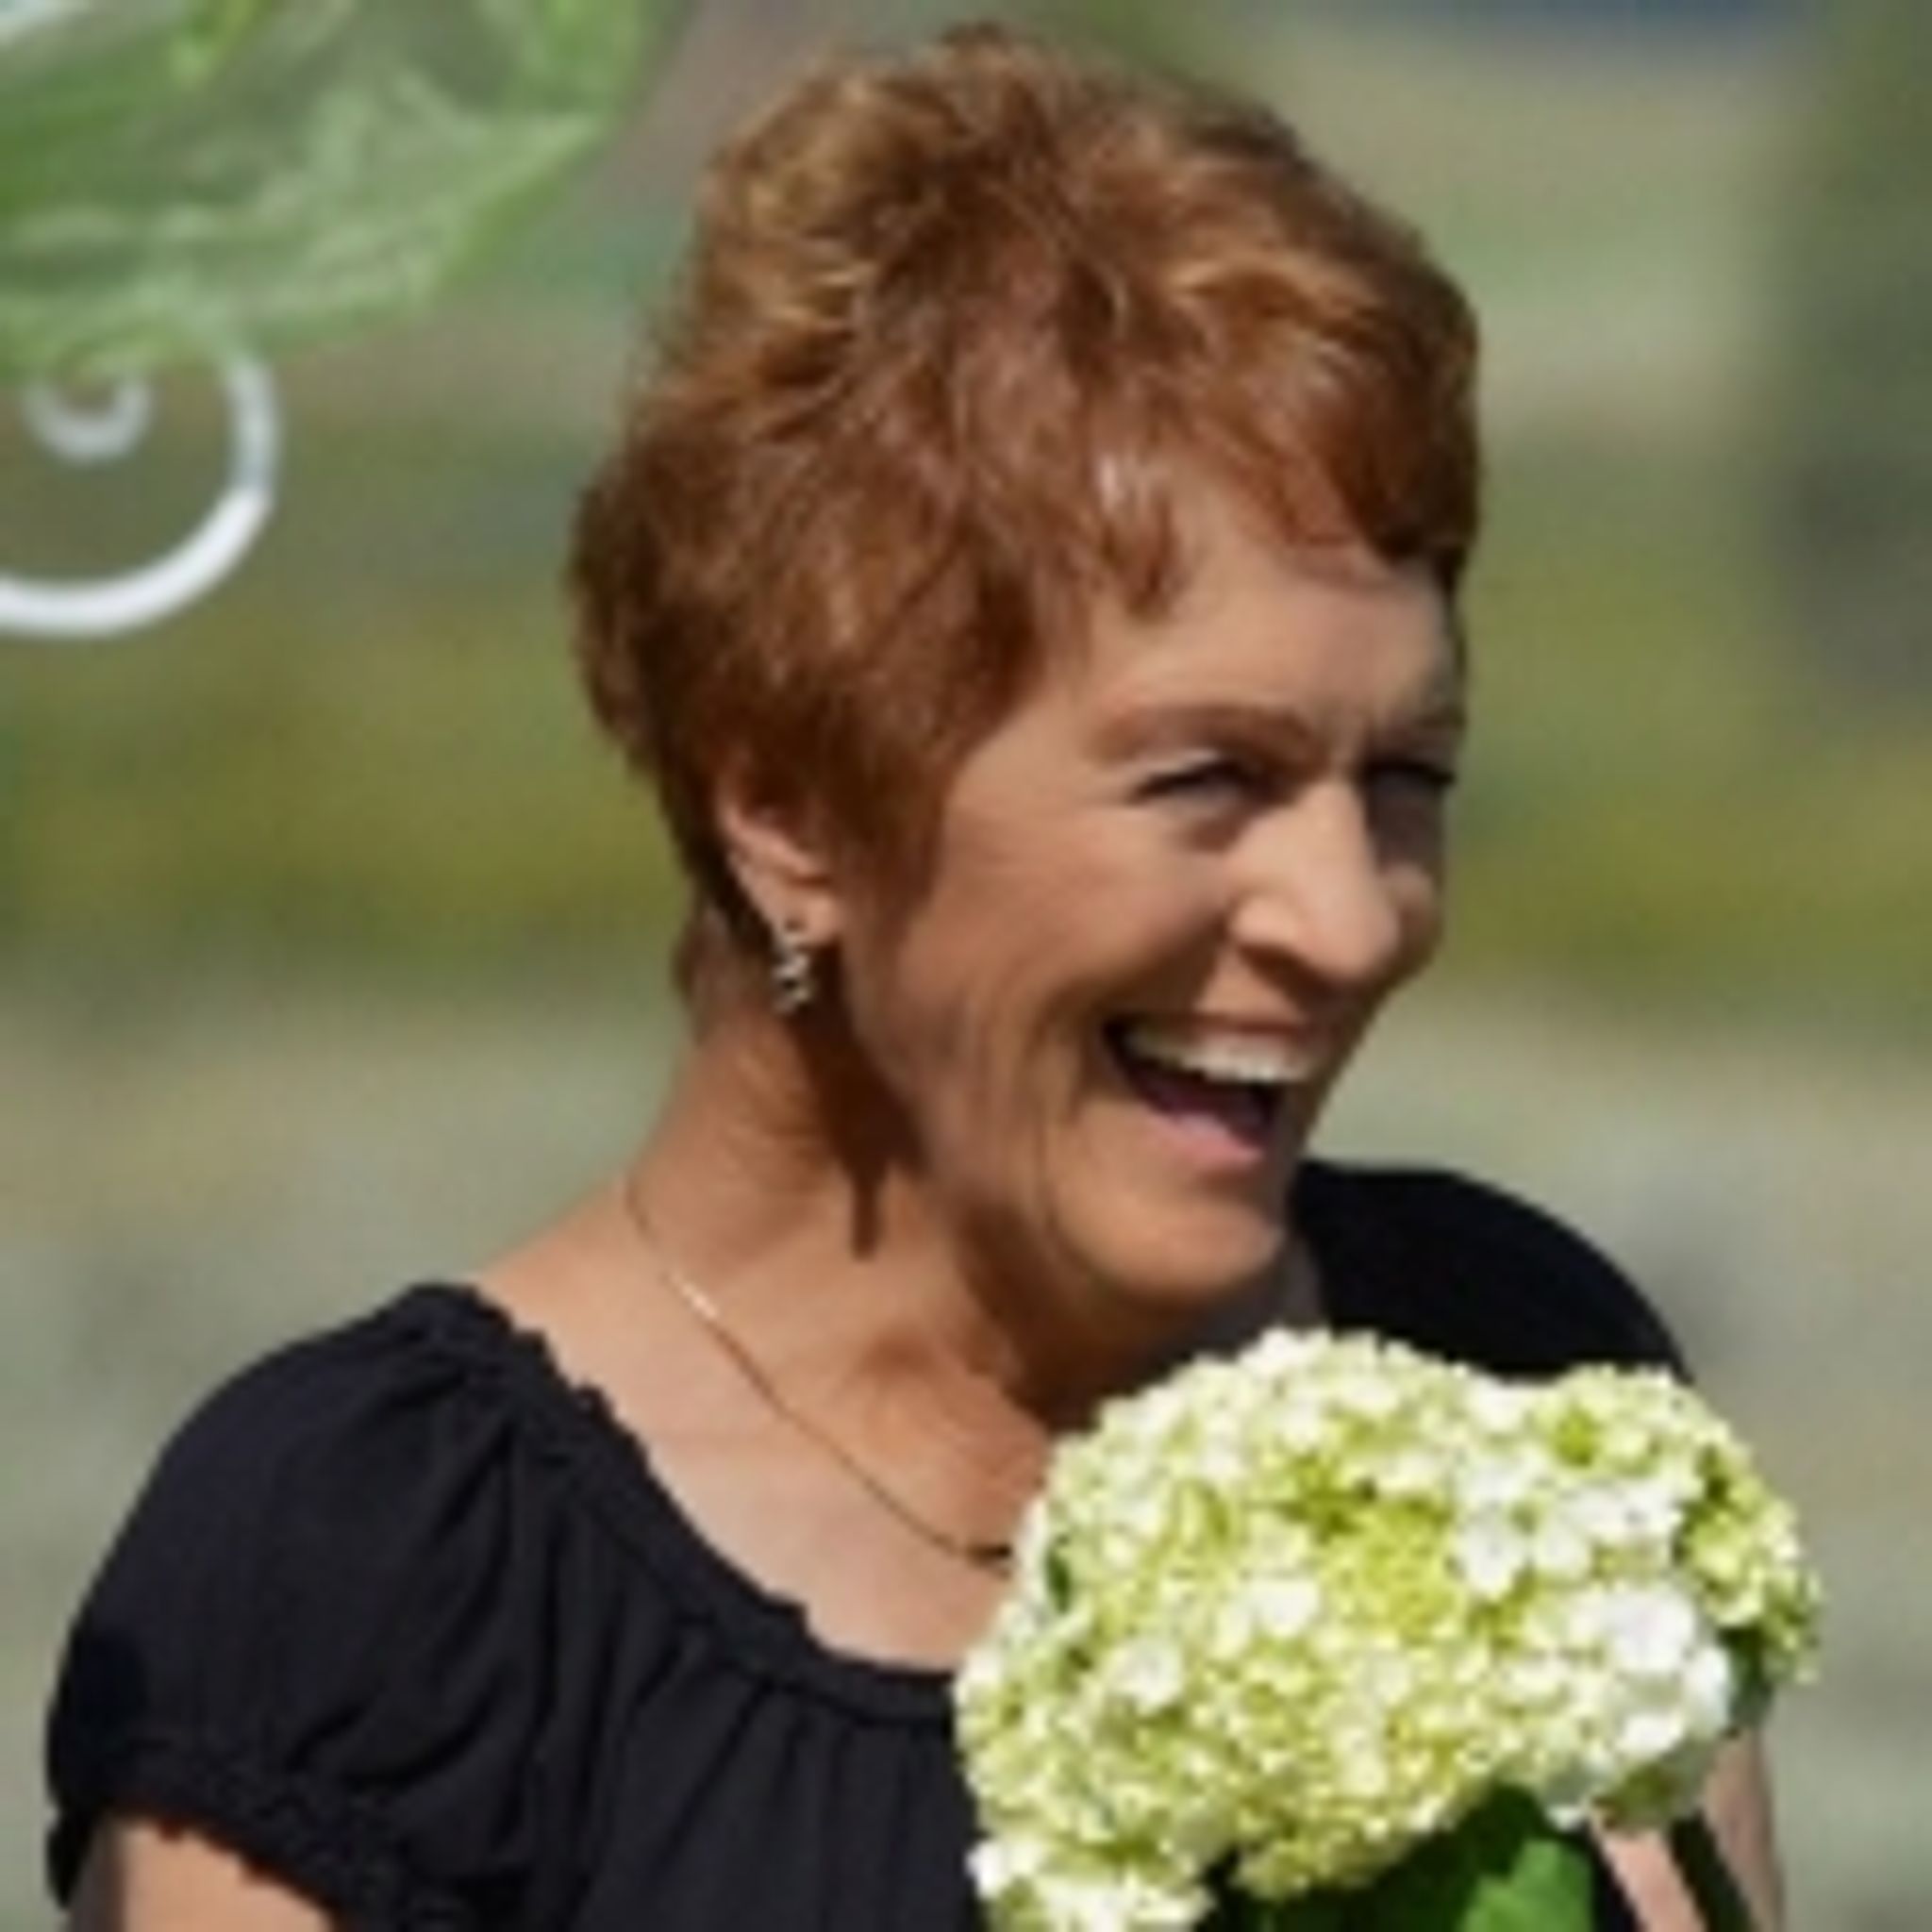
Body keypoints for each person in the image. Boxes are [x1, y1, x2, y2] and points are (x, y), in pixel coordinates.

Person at [45, 22, 1786, 1930]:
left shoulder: (1507, 1377)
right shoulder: (383, 1582)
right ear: (794, 807)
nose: (1353, 916)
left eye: (1409, 778)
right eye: (1210, 777)